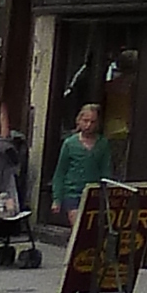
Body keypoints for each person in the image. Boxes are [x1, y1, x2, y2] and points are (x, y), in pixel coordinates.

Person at [45, 96, 110, 229]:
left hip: (94, 192)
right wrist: (57, 199)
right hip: (73, 192)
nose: (88, 125)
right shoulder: (70, 143)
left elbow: (106, 171)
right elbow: (60, 172)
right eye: (85, 121)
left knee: (91, 229)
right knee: (78, 227)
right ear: (79, 121)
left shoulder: (103, 144)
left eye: (93, 122)